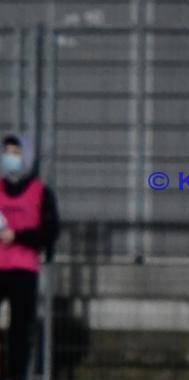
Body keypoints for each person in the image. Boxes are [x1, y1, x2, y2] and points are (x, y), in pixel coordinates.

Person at [0, 134, 60, 380]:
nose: (10, 157)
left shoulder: (40, 192)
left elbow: (48, 232)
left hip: (24, 269)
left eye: (16, 152)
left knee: (20, 331)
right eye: (7, 152)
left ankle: (17, 374)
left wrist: (18, 236)